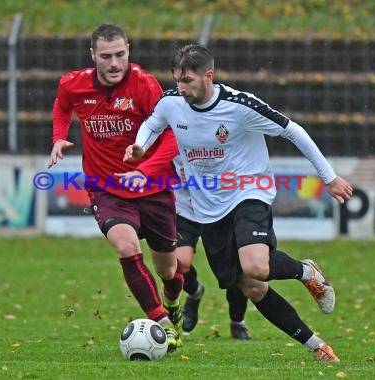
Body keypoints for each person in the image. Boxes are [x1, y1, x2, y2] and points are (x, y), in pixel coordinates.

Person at [123, 44, 354, 362]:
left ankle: (306, 272)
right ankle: (317, 346)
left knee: (256, 265)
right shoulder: (171, 102)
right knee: (251, 286)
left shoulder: (239, 105)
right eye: (177, 79)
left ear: (208, 76)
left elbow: (293, 131)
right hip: (208, 207)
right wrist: (138, 145)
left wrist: (328, 178)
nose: (180, 87)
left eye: (187, 80)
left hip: (249, 191)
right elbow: (152, 123)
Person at [47, 23, 184, 350]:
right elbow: (62, 105)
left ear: (129, 51)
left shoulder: (145, 85)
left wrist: (144, 169)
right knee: (126, 247)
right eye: (106, 56)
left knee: (169, 269)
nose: (113, 63)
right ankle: (162, 322)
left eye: (120, 55)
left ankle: (174, 300)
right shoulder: (73, 84)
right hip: (106, 187)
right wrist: (58, 136)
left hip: (154, 186)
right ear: (92, 54)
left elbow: (172, 138)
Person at [174, 156, 251, 340]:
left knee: (235, 268)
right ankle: (194, 292)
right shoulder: (170, 130)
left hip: (221, 208)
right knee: (179, 263)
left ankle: (237, 322)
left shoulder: (219, 131)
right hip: (184, 208)